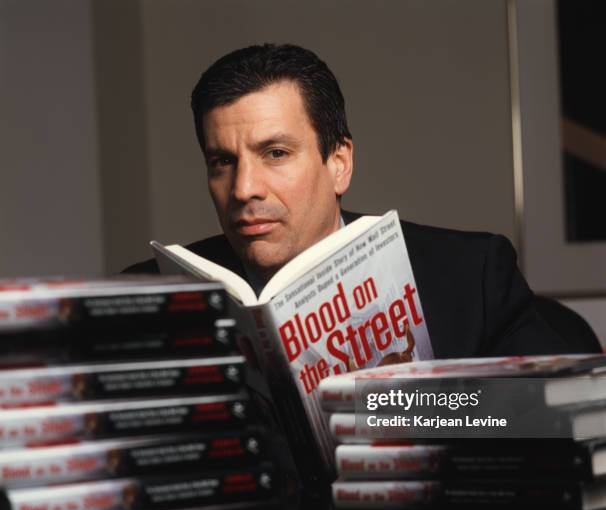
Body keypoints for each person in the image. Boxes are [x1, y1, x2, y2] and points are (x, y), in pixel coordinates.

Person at [125, 44, 598, 358]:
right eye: (221, 162)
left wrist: (406, 411)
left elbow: (543, 419)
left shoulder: (468, 276)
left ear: (339, 162)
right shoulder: (145, 296)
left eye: (275, 153)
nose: (244, 188)